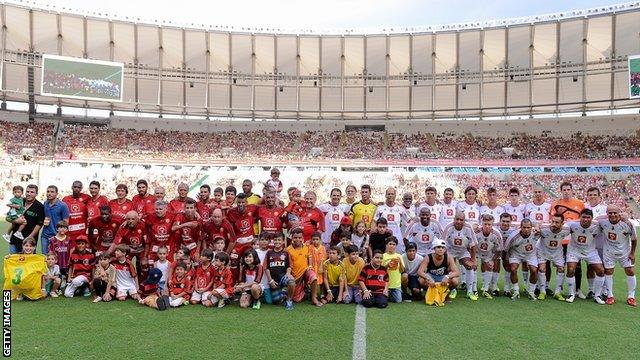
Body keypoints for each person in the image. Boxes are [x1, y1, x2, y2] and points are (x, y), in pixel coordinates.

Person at [550, 181, 586, 299]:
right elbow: (552, 220)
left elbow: (583, 220)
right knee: (560, 265)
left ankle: (578, 290)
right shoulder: (556, 204)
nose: (566, 192)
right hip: (561, 240)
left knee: (577, 265)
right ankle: (559, 288)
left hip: (575, 240)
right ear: (561, 191)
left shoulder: (579, 204)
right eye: (564, 190)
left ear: (571, 190)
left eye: (568, 189)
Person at [598, 205, 637, 306]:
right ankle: (610, 296)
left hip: (625, 252)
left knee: (630, 271)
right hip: (609, 252)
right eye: (610, 213)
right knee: (609, 271)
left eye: (615, 212)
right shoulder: (602, 222)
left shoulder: (628, 223)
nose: (613, 214)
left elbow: (634, 239)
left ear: (619, 213)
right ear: (607, 214)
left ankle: (631, 297)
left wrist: (632, 253)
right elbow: (594, 220)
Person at [565, 209, 605, 304]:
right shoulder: (572, 225)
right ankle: (571, 293)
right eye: (583, 217)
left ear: (592, 218)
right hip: (574, 250)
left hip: (590, 251)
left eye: (588, 217)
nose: (586, 219)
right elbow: (561, 228)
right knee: (571, 269)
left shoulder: (597, 225)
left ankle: (597, 295)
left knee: (601, 270)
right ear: (580, 217)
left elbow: (607, 220)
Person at [442, 212, 478, 300]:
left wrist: (473, 259)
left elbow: (473, 244)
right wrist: (445, 257)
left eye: (461, 220)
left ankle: (470, 291)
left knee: (470, 266)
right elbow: (443, 243)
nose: (458, 221)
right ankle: (453, 289)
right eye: (457, 219)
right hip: (451, 250)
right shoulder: (448, 227)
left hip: (463, 251)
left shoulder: (468, 228)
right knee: (451, 268)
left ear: (464, 221)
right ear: (454, 219)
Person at [536, 214, 570, 300]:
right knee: (542, 269)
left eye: (557, 222)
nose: (554, 224)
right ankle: (542, 291)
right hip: (543, 250)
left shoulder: (566, 229)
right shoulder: (543, 228)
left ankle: (558, 292)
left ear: (562, 223)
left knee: (561, 269)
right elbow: (536, 224)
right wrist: (537, 225)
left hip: (557, 252)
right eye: (553, 221)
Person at [416, 239, 460, 305]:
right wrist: (428, 278)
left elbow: (457, 272)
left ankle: (446, 294)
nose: (440, 249)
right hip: (431, 276)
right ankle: (430, 294)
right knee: (421, 280)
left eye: (442, 248)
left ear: (445, 249)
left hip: (443, 277)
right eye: (438, 247)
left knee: (455, 281)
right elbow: (420, 272)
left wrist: (447, 277)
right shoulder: (428, 257)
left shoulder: (448, 257)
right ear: (434, 248)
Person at [504, 219, 539, 300]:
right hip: (516, 253)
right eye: (524, 227)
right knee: (513, 269)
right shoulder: (513, 236)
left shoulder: (536, 232)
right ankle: (516, 291)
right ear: (520, 227)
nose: (526, 229)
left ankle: (531, 292)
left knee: (534, 270)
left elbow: (544, 226)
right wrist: (505, 261)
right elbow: (505, 249)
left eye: (528, 227)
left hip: (530, 254)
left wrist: (537, 226)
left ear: (531, 227)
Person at [287, 228, 323, 307]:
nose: (298, 239)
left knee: (314, 277)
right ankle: (305, 289)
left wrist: (310, 266)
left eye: (300, 238)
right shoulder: (288, 250)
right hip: (296, 276)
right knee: (297, 299)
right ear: (291, 238)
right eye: (295, 238)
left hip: (306, 271)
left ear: (303, 238)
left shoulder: (307, 247)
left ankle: (314, 298)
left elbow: (310, 255)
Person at [263, 232, 295, 309]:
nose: (277, 242)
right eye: (275, 240)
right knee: (277, 301)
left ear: (283, 241)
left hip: (283, 278)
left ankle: (289, 300)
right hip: (274, 281)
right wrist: (270, 281)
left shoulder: (286, 253)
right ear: (273, 241)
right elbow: (266, 268)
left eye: (279, 240)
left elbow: (289, 266)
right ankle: (283, 292)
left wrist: (288, 274)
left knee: (291, 281)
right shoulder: (269, 253)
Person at [9, 184, 44, 254]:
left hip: (29, 244)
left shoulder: (40, 206)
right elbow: (9, 217)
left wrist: (29, 238)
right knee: (13, 262)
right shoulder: (19, 201)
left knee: (27, 264)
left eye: (32, 192)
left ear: (36, 194)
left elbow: (39, 225)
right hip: (14, 240)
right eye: (27, 191)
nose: (29, 194)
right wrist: (16, 220)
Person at [374, 187, 411, 253]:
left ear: (395, 195)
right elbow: (374, 222)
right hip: (384, 237)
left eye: (392, 194)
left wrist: (406, 235)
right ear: (385, 195)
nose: (390, 195)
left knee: (398, 255)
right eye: (389, 194)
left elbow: (410, 220)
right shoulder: (380, 208)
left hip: (397, 236)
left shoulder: (400, 208)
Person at [475, 214, 502, 299]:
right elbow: (470, 245)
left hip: (490, 252)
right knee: (472, 266)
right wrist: (473, 259)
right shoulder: (475, 232)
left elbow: (499, 250)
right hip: (476, 251)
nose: (487, 226)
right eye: (485, 224)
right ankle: (473, 289)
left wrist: (492, 261)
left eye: (489, 224)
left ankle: (487, 289)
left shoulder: (497, 234)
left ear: (492, 224)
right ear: (481, 223)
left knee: (491, 265)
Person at [41, 185, 70, 254]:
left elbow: (66, 222)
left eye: (52, 192)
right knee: (45, 257)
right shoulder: (45, 204)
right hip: (45, 236)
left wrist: (60, 235)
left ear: (57, 193)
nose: (49, 193)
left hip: (57, 236)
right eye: (48, 191)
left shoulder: (63, 205)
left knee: (56, 258)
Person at [62, 181, 89, 247]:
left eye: (78, 187)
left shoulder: (87, 198)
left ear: (81, 188)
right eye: (75, 187)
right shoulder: (65, 199)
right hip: (69, 232)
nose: (76, 189)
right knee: (69, 252)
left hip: (82, 232)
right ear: (72, 187)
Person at [382, 237, 404, 303]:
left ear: (396, 246)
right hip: (385, 284)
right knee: (383, 299)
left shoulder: (399, 256)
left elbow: (402, 270)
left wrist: (400, 262)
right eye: (390, 244)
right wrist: (387, 265)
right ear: (386, 245)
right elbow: (381, 270)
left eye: (394, 244)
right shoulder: (383, 256)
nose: (392, 246)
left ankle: (393, 294)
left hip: (396, 285)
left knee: (398, 301)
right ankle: (389, 294)